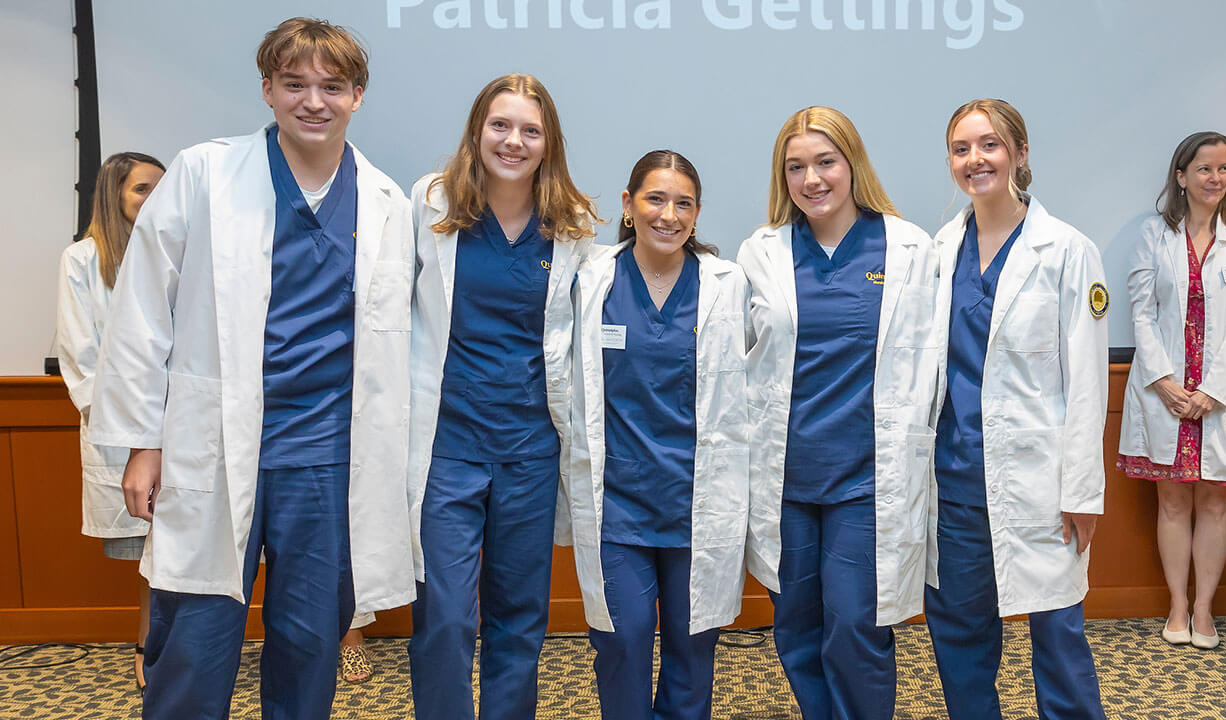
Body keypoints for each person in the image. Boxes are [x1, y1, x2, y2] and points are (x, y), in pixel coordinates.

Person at [87, 18, 415, 719]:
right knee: (196, 636)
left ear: (358, 95)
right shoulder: (206, 173)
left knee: (308, 639)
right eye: (295, 84)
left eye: (332, 86)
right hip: (212, 443)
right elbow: (144, 311)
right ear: (267, 88)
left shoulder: (385, 201)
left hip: (326, 454)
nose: (313, 101)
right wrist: (144, 441)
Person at [407, 73, 599, 720]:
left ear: (549, 143)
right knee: (446, 616)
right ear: (476, 131)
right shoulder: (430, 205)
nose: (513, 141)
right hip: (447, 448)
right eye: (500, 125)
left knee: (519, 619)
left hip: (529, 450)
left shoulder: (569, 227)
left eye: (530, 130)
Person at [736, 106, 939, 720]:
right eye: (795, 167)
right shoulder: (762, 252)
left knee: (855, 624)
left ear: (853, 165)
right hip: (786, 477)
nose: (812, 179)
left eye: (826, 162)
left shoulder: (907, 247)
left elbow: (931, 359)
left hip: (868, 477)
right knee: (795, 627)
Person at [927, 98, 1108, 720]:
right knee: (959, 634)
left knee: (1057, 636)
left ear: (1020, 154)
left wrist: (1082, 491)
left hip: (1039, 480)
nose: (975, 160)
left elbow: (1087, 380)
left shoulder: (1066, 250)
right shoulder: (939, 251)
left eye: (989, 145)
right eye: (961, 149)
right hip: (954, 478)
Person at [564, 150, 750, 720]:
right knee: (622, 639)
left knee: (693, 646)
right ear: (627, 204)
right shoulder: (592, 280)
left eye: (684, 204)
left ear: (697, 214)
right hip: (618, 503)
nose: (669, 215)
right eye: (655, 199)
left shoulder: (726, 285)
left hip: (697, 500)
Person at [1117, 131, 1226, 650]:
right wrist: (1164, 381)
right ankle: (1177, 607)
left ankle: (1205, 608)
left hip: (1219, 397)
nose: (1215, 179)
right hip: (1168, 394)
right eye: (1204, 169)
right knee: (1174, 503)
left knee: (1215, 503)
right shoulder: (1153, 234)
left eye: (1223, 169)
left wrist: (1214, 390)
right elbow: (1141, 310)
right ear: (1181, 176)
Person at [56, 151, 165, 691]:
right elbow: (80, 353)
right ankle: (149, 646)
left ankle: (164, 645)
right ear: (113, 196)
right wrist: (127, 426)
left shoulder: (175, 252)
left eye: (159, 190)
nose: (153, 200)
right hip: (121, 431)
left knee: (175, 545)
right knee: (146, 547)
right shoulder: (82, 260)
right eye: (142, 189)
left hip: (181, 425)